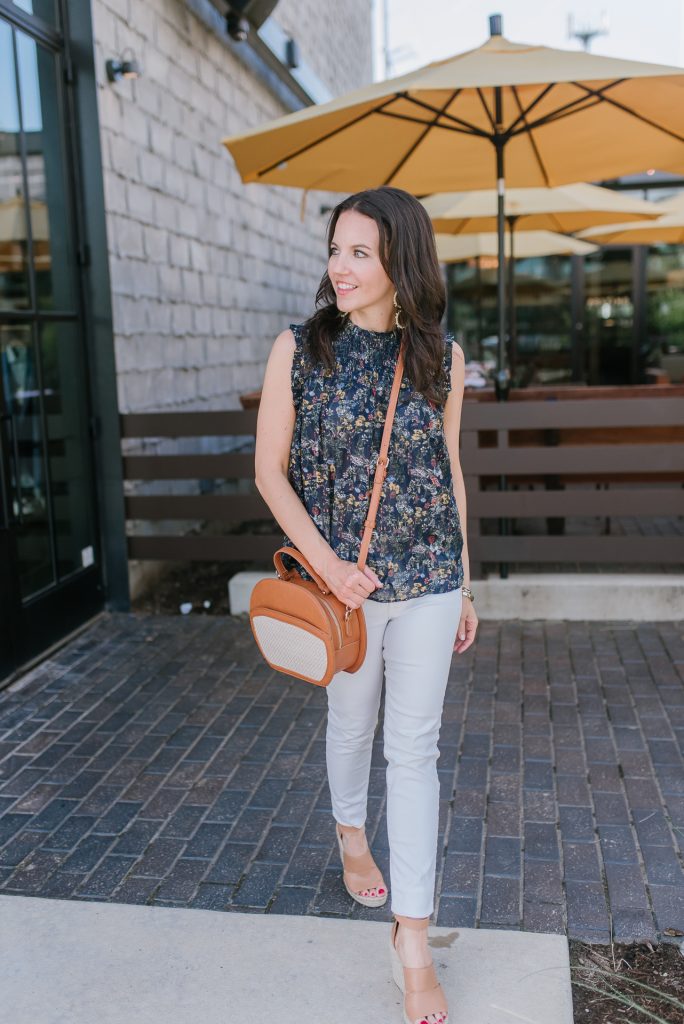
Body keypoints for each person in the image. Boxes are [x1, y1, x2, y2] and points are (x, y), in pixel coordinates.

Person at [255, 185, 478, 1024]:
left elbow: (444, 470)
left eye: (360, 253)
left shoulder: (442, 360)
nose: (341, 267)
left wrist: (467, 577)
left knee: (413, 753)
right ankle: (352, 835)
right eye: (336, 250)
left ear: (400, 264)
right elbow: (269, 472)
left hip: (429, 577)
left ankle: (412, 939)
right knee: (350, 725)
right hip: (341, 587)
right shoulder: (298, 350)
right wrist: (329, 563)